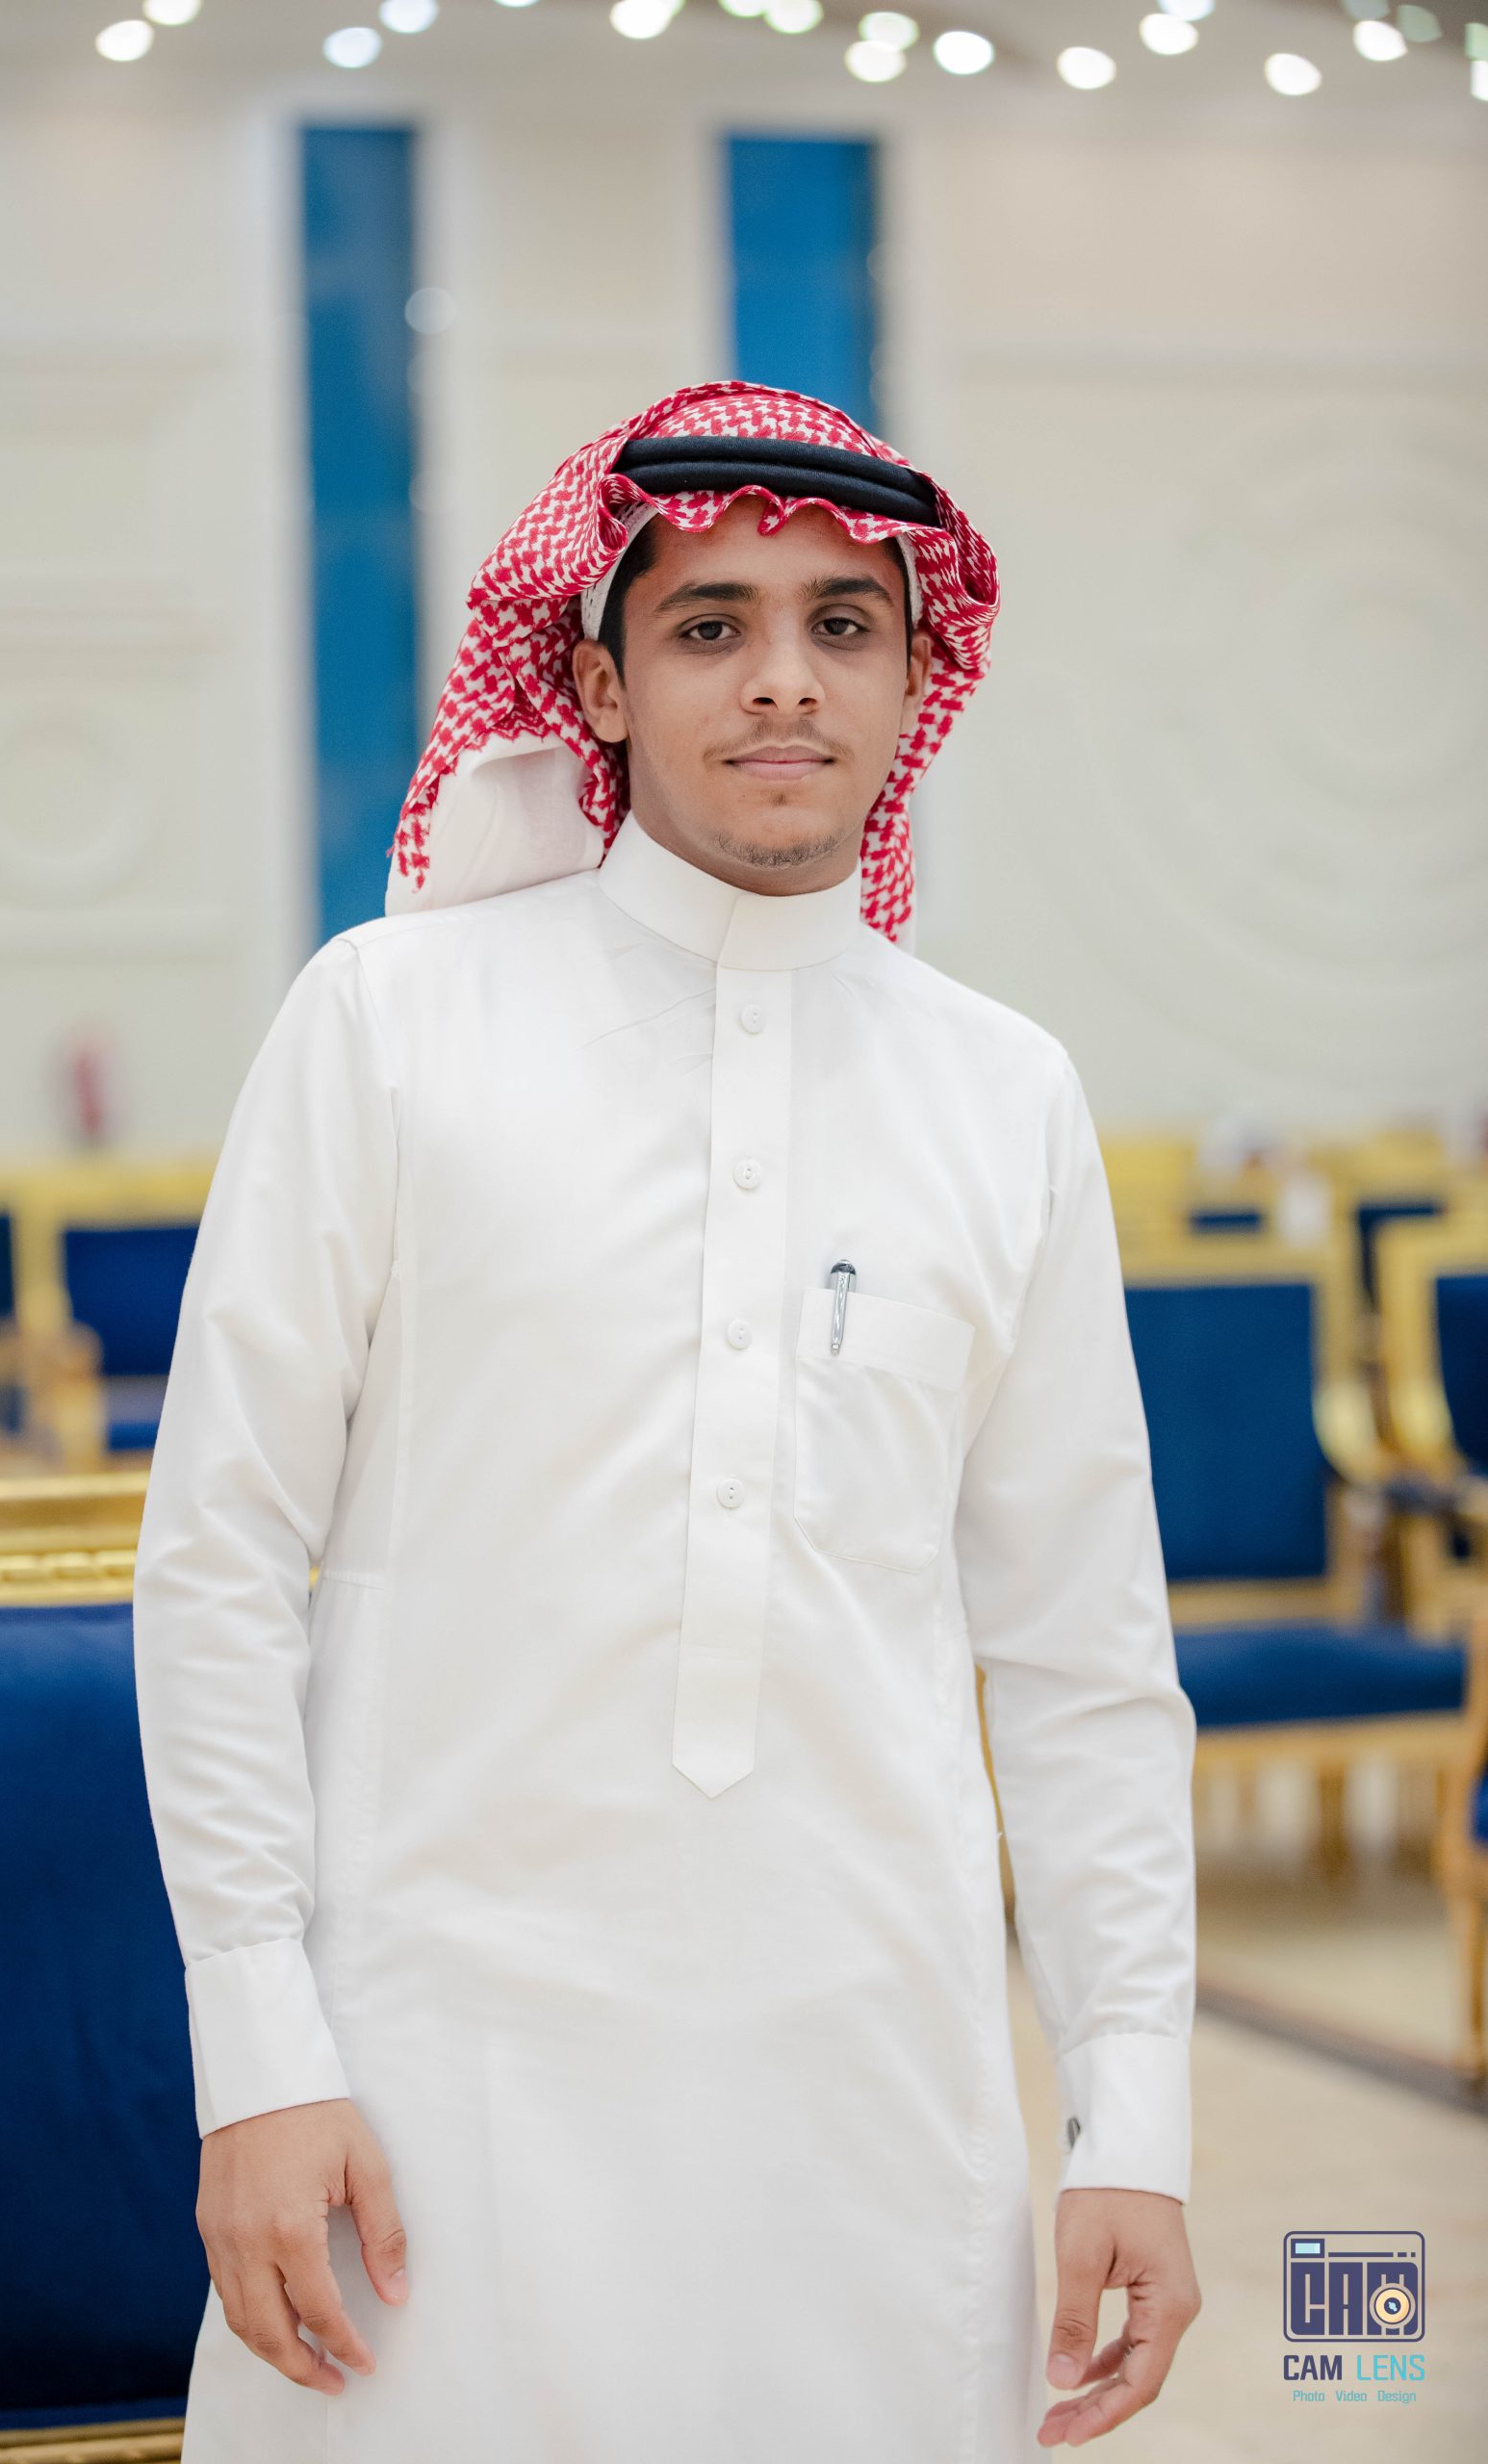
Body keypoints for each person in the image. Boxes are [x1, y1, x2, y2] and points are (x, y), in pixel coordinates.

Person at [132, 379, 1201, 2461]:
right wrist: (256, 2048)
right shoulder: (389, 1021)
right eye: (711, 624)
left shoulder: (1002, 1093)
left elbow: (1083, 1656)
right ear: (601, 685)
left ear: (916, 680)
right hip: (433, 2076)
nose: (783, 678)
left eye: (842, 624)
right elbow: (220, 1559)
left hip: (872, 2099)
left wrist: (1130, 2114)